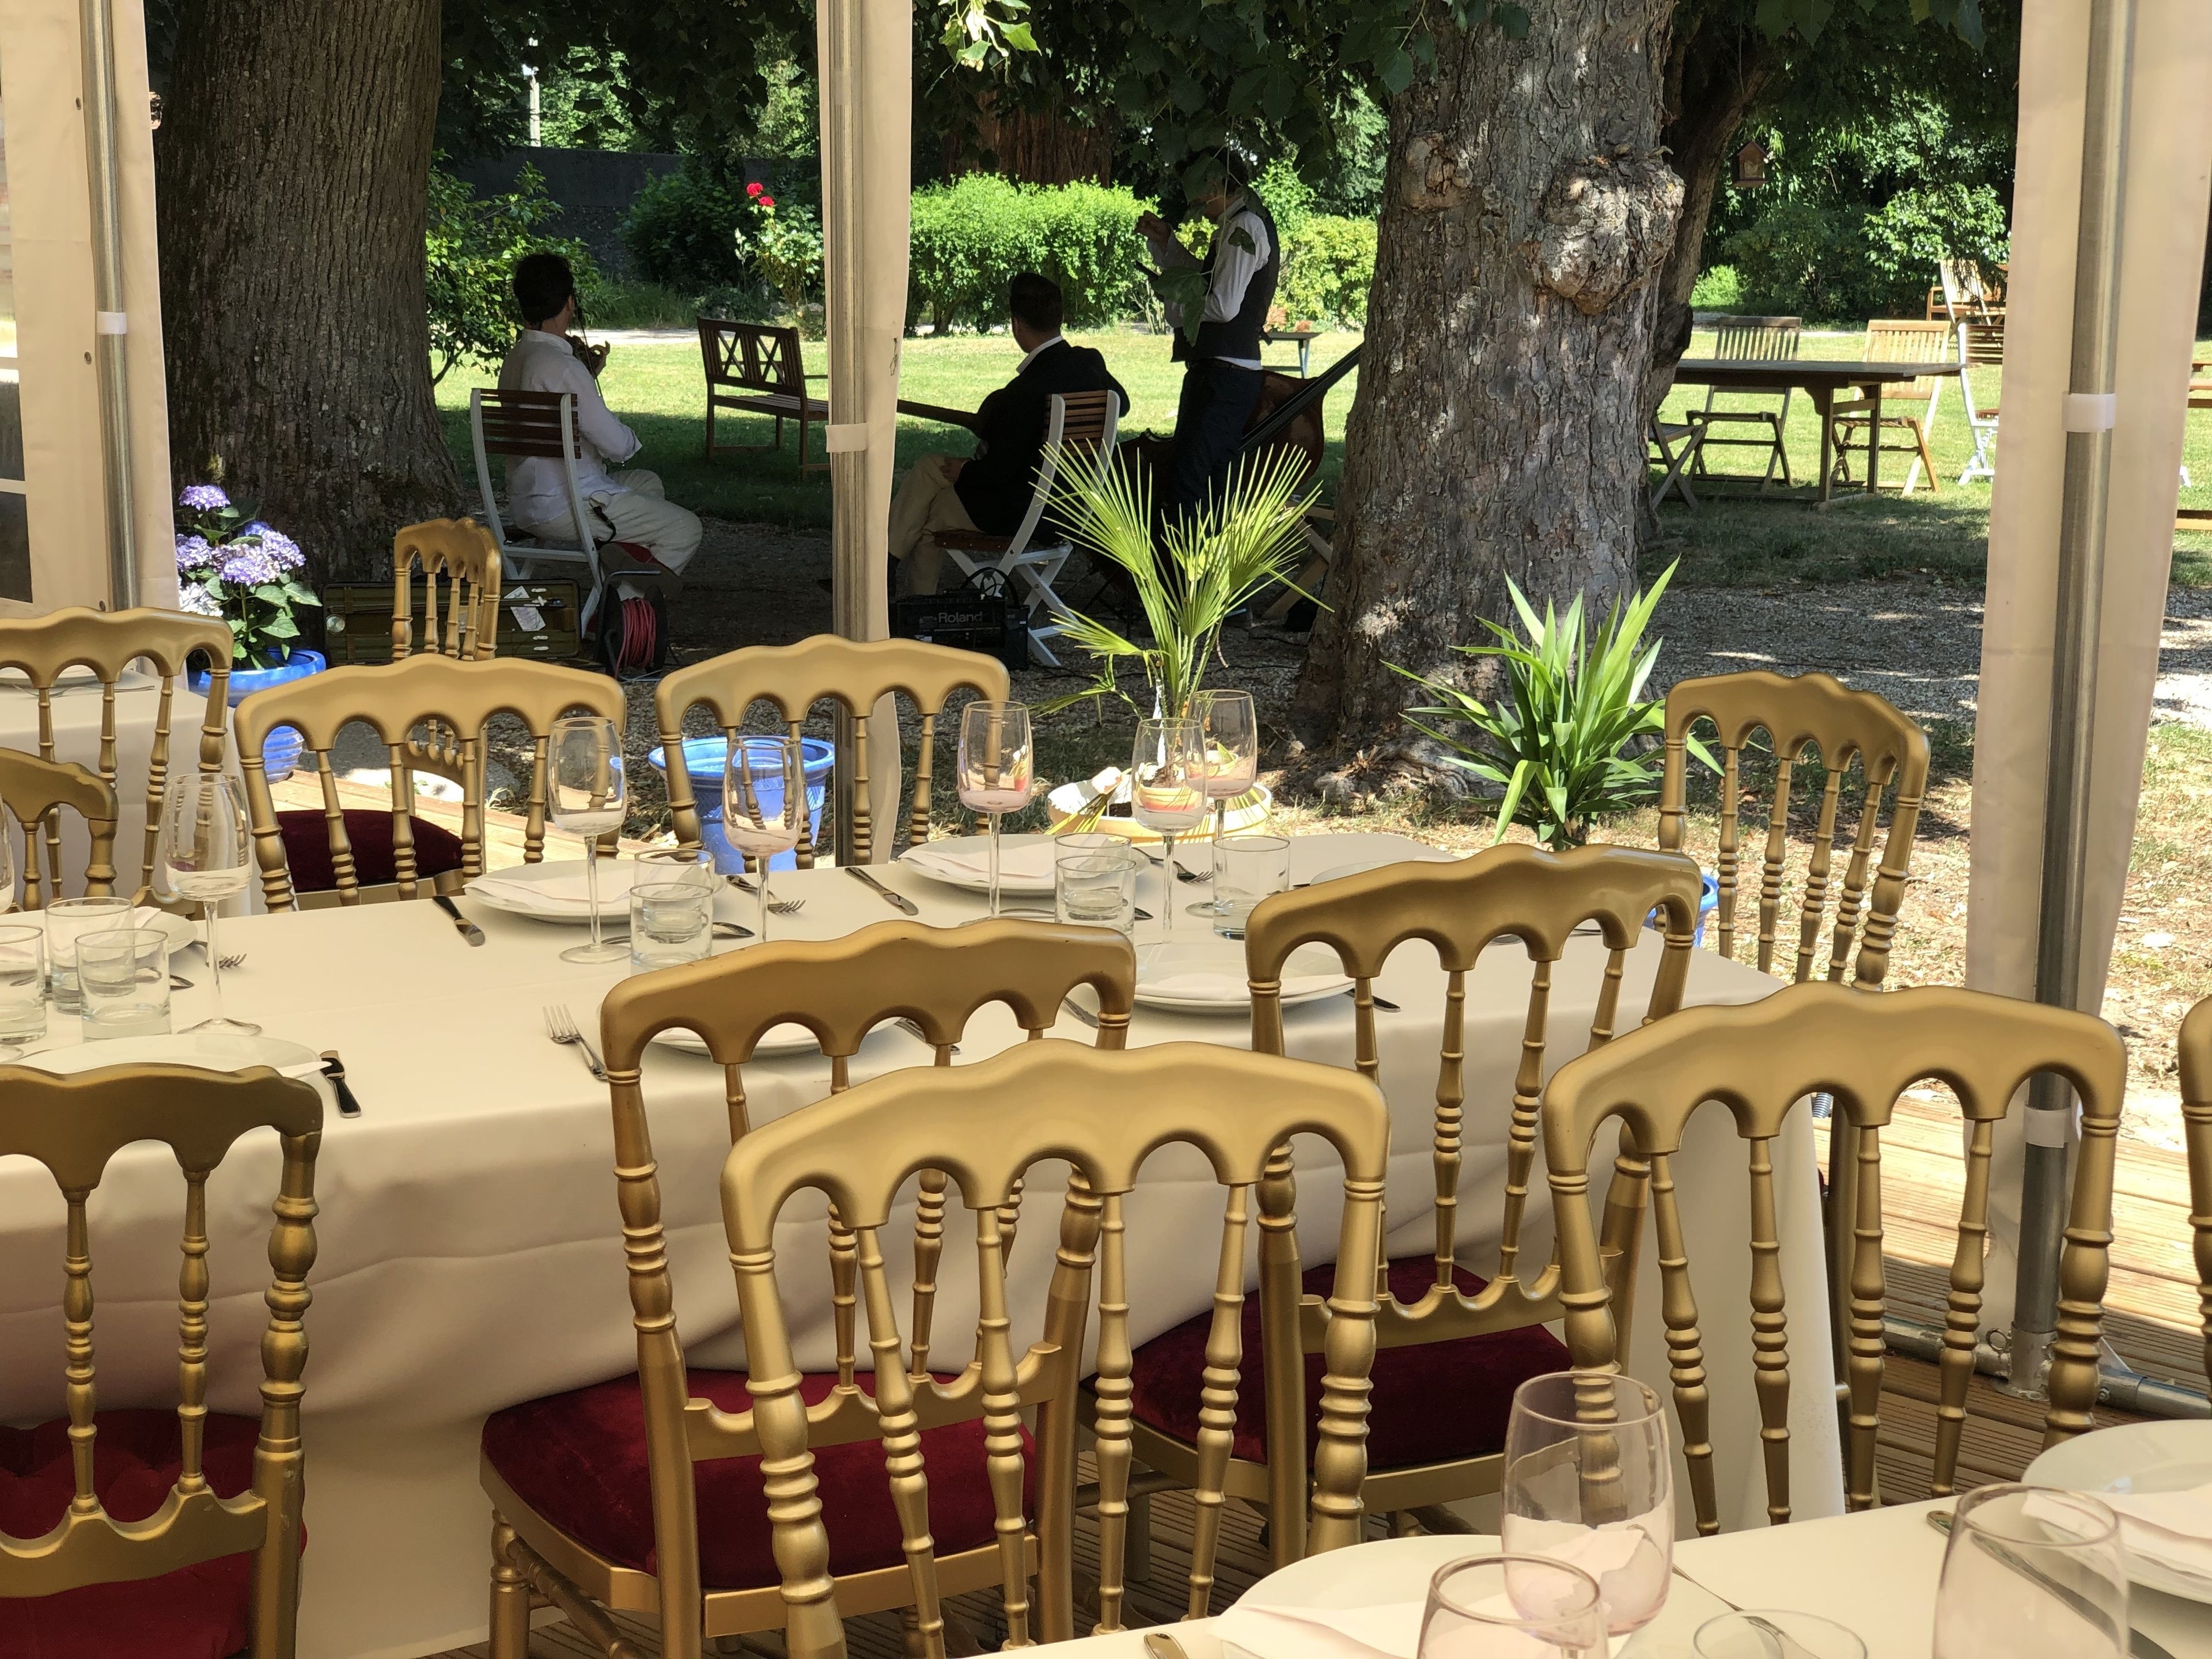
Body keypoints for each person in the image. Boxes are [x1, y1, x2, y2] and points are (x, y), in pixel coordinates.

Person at [887, 271, 1127, 596]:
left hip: (1024, 511)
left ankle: (913, 607)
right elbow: (1121, 404)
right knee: (931, 469)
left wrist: (966, 470)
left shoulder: (1025, 390)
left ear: (1015, 324)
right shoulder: (1090, 363)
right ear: (1060, 318)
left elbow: (999, 471)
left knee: (932, 513)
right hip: (1071, 509)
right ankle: (887, 566)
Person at [499, 252, 703, 578]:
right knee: (686, 529)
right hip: (567, 504)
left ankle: (618, 574)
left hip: (526, 500)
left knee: (647, 483)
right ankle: (620, 605)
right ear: (569, 303)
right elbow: (617, 446)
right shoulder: (562, 366)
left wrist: (585, 378)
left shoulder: (516, 359)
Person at [1137, 157, 1280, 514]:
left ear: (1216, 186)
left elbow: (1223, 306)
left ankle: (1188, 564)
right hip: (1223, 372)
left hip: (1224, 376)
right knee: (1206, 480)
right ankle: (1197, 562)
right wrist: (1168, 245)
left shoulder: (1244, 226)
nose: (1196, 201)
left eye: (1199, 192)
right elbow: (1207, 280)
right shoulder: (1239, 223)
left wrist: (1174, 302)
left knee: (1190, 481)